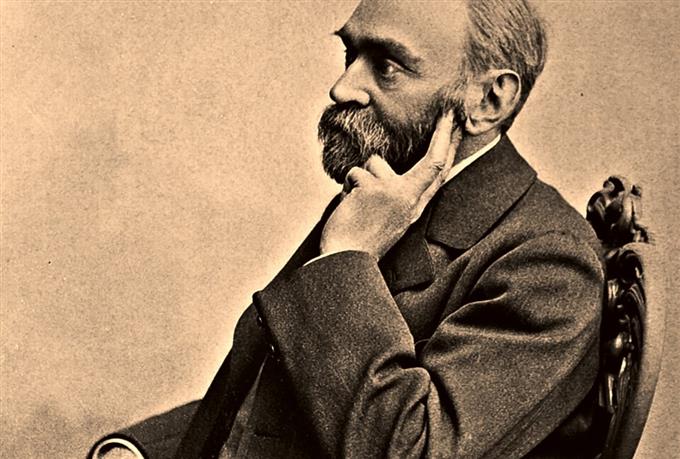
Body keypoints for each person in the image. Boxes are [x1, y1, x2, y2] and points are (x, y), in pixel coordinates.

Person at [91, 0, 605, 457]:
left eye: (387, 66)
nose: (342, 88)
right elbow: (274, 398)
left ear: (489, 101)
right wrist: (138, 449)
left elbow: (412, 449)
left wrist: (344, 260)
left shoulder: (548, 263)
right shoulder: (390, 195)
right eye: (350, 54)